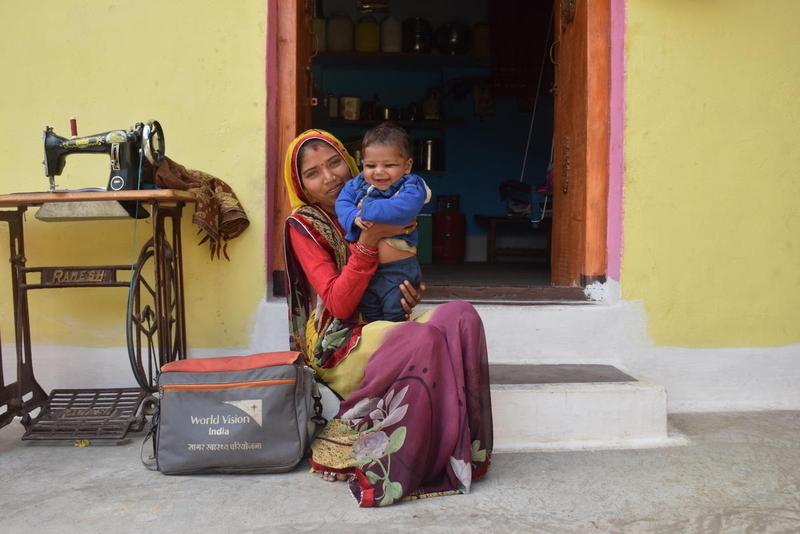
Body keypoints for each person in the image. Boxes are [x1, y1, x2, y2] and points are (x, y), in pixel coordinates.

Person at [282, 129, 493, 507]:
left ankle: (454, 448)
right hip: (341, 343)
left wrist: (405, 297)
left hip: (387, 327)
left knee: (462, 316)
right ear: (301, 184)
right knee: (419, 339)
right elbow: (339, 305)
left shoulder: (385, 195)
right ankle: (346, 439)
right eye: (313, 173)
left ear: (350, 164)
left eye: (334, 164)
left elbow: (401, 263)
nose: (329, 177)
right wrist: (369, 239)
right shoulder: (305, 225)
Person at [335, 123, 430, 322]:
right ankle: (377, 350)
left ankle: (394, 351)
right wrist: (353, 215)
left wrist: (367, 209)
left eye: (389, 165)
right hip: (367, 271)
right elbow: (342, 203)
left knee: (394, 316)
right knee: (371, 318)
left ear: (407, 166)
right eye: (371, 165)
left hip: (398, 270)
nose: (379, 172)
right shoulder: (357, 184)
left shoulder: (411, 185)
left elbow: (404, 209)